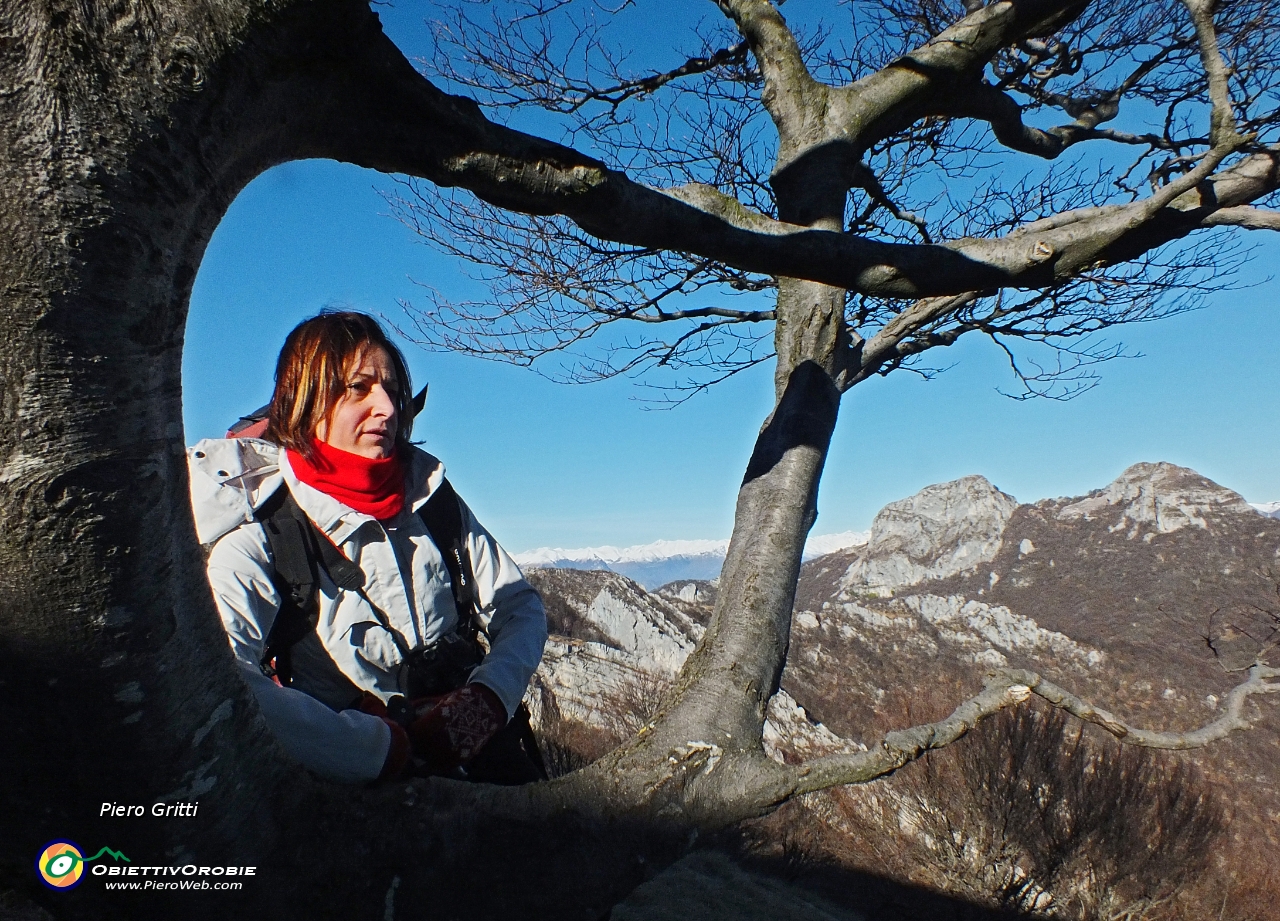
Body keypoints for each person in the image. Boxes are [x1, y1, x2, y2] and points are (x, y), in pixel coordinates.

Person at [187, 312, 547, 784]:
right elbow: (220, 677)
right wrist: (374, 749)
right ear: (308, 402)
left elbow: (518, 604)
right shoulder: (264, 539)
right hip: (352, 801)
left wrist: (489, 697)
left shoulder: (431, 500)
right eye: (359, 388)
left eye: (393, 390)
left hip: (481, 765)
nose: (388, 407)